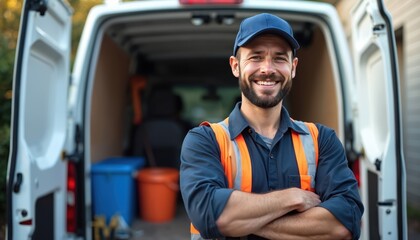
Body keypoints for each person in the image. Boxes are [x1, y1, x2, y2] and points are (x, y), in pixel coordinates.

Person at [180, 13, 363, 240]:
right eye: (256, 57)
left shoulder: (321, 139)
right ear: (235, 66)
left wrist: (240, 220)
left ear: (293, 67)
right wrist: (292, 199)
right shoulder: (204, 140)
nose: (267, 69)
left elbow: (345, 223)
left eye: (279, 58)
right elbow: (209, 215)